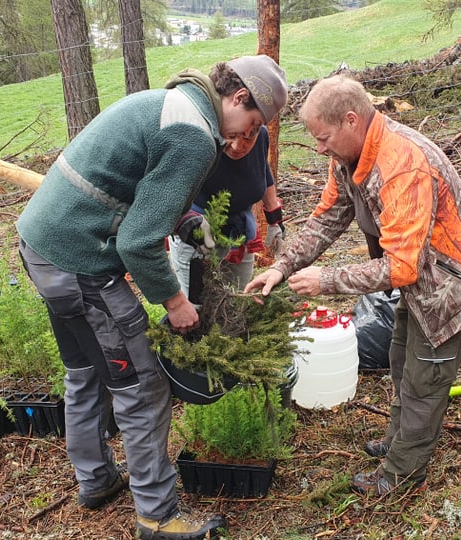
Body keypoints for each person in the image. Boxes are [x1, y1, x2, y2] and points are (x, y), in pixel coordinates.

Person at [16, 55, 287, 540]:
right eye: (254, 122)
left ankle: (96, 480)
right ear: (240, 99)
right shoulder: (194, 135)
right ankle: (158, 518)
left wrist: (184, 220)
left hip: (41, 246)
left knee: (85, 371)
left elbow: (141, 189)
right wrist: (175, 302)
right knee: (143, 386)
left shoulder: (174, 102)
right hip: (82, 262)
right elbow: (137, 243)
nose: (245, 136)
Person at [244, 75, 461, 497]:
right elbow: (327, 217)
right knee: (401, 356)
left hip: (453, 280)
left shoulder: (401, 164)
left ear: (351, 120)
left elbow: (401, 267)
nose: (319, 147)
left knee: (425, 379)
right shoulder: (349, 157)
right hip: (424, 277)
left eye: (324, 137)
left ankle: (401, 474)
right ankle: (400, 440)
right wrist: (283, 266)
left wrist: (327, 279)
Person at [168, 124, 284, 301]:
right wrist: (186, 224)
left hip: (240, 232)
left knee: (236, 299)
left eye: (247, 139)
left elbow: (263, 173)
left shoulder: (261, 136)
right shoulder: (201, 138)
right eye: (231, 136)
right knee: (197, 305)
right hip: (196, 235)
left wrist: (275, 222)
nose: (238, 146)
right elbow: (171, 187)